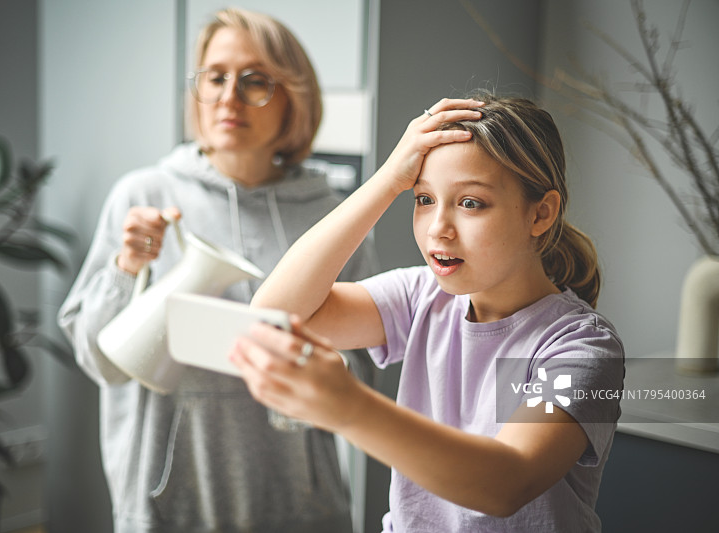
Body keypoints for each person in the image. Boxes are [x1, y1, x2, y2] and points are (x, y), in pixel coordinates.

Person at [231, 94, 625, 532]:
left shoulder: (583, 347)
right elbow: (272, 316)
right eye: (423, 199)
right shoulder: (421, 296)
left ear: (541, 213)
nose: (438, 228)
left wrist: (350, 407)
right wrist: (387, 180)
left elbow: (506, 483)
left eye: (470, 203)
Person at [57, 8, 377, 533]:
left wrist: (310, 365)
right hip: (168, 508)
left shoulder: (334, 218)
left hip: (303, 509)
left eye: (254, 80)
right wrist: (126, 268)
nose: (230, 97)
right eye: (215, 77)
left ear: (293, 99)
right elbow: (100, 361)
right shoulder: (143, 196)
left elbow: (365, 372)